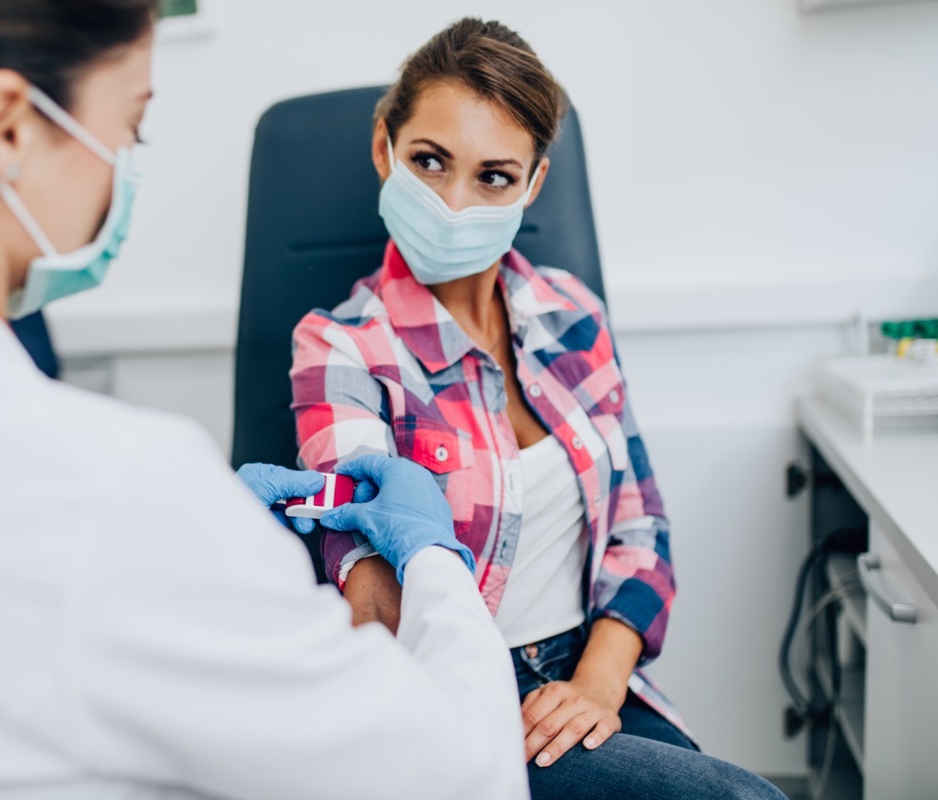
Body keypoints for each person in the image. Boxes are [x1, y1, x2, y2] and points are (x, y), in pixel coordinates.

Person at [0, 2, 529, 797]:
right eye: (132, 126)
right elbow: (469, 777)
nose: (125, 163)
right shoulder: (111, 487)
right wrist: (432, 557)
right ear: (8, 128)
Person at [291, 17, 788, 800]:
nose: (454, 204)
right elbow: (370, 570)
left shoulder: (571, 313)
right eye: (429, 162)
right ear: (384, 148)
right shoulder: (340, 347)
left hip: (592, 675)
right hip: (457, 695)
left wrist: (595, 684)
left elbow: (641, 526)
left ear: (533, 185)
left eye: (493, 176)